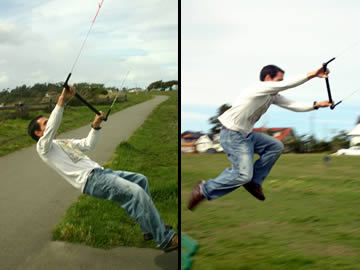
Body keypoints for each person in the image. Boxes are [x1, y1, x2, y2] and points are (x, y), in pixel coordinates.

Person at [28, 85, 177, 252]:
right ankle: (165, 239)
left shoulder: (62, 143)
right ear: (39, 134)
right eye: (45, 124)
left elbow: (88, 144)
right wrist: (62, 100)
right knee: (136, 193)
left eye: (48, 122)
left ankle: (148, 228)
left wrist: (96, 125)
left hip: (101, 173)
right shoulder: (43, 148)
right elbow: (53, 127)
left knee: (141, 180)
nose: (49, 126)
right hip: (92, 180)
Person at [188, 65, 332, 210]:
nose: (281, 82)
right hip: (232, 134)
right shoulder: (258, 88)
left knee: (276, 146)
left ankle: (254, 181)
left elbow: (293, 105)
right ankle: (203, 189)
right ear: (268, 78)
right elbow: (287, 84)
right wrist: (313, 74)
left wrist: (317, 104)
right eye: (278, 79)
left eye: (281, 80)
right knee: (243, 175)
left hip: (246, 135)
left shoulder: (272, 95)